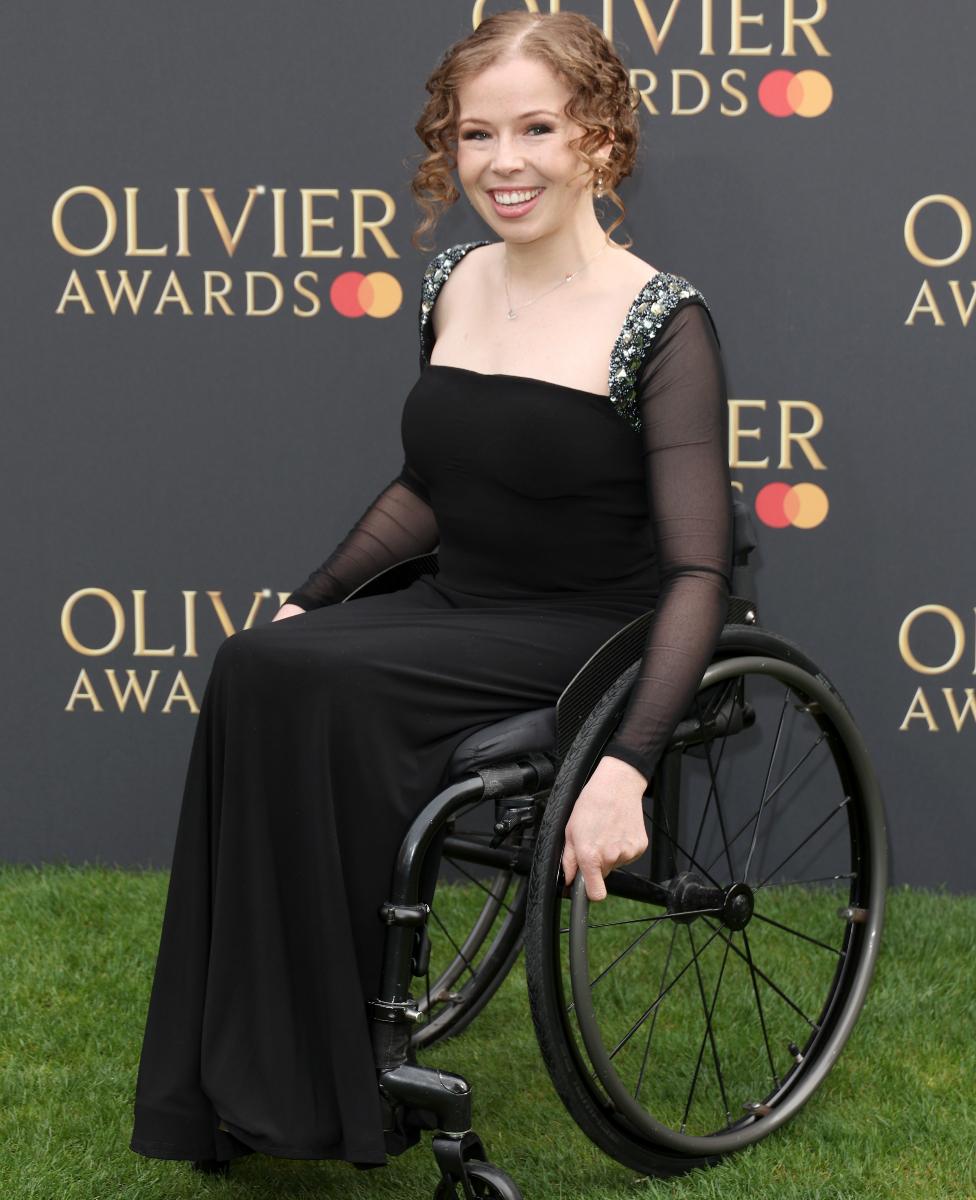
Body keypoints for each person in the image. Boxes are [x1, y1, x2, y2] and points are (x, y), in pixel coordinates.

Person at [128, 9, 732, 1175]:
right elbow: (427, 485)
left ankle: (327, 1074)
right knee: (261, 659)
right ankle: (257, 1074)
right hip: (458, 602)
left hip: (580, 632)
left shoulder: (662, 319)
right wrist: (314, 596)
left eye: (538, 129)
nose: (503, 163)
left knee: (328, 691)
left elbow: (700, 570)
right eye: (475, 135)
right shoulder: (454, 278)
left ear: (599, 141)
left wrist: (625, 765)